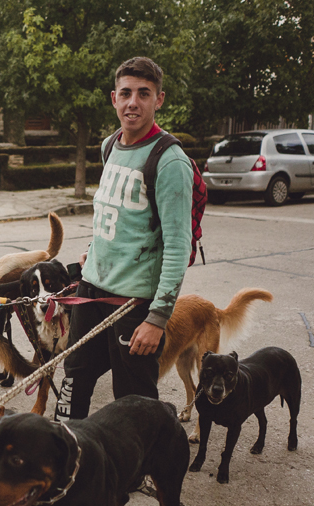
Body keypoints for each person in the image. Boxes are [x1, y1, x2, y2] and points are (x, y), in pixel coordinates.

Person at [53, 56, 193, 422]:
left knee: (133, 398)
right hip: (91, 290)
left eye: (143, 94)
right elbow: (112, 215)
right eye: (126, 93)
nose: (133, 102)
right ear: (113, 98)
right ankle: (68, 456)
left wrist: (158, 318)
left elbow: (179, 247)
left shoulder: (170, 161)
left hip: (133, 304)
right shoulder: (109, 145)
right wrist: (92, 252)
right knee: (75, 378)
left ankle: (141, 472)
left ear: (158, 100)